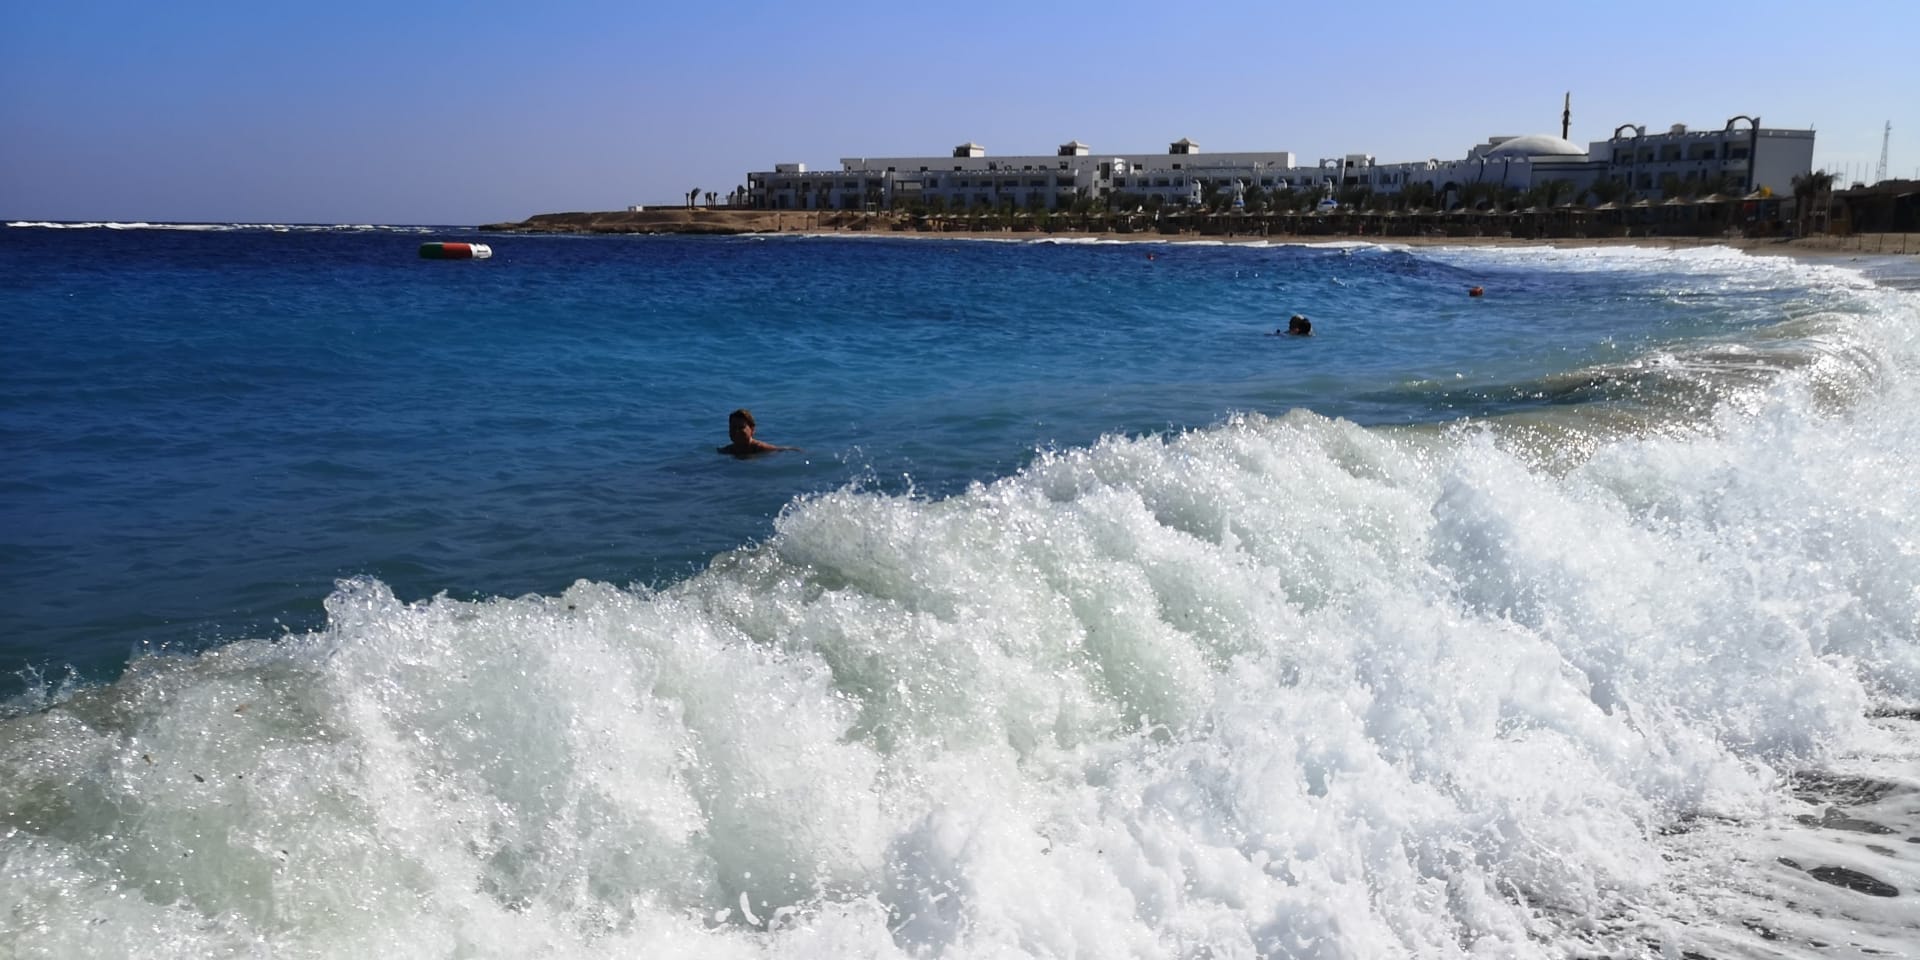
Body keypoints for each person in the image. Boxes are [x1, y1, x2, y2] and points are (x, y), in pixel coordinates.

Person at [717, 408, 800, 457]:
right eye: (733, 427)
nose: (736, 431)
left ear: (752, 429)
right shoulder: (726, 451)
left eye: (741, 427)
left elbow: (787, 449)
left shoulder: (761, 448)